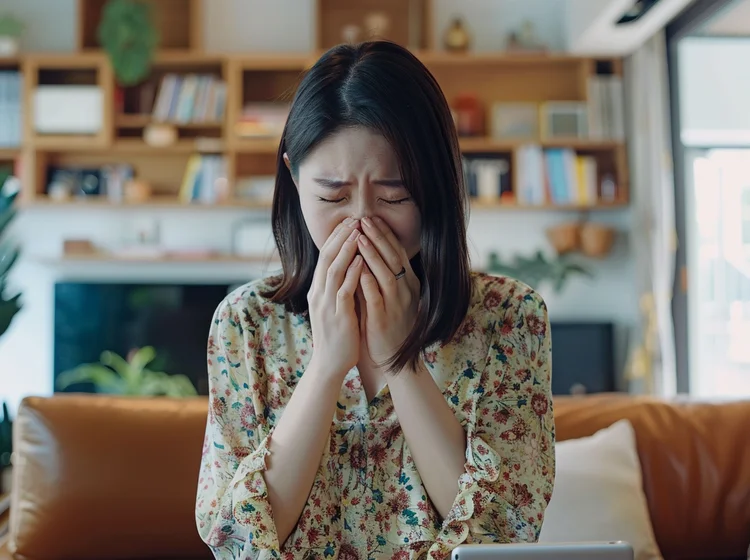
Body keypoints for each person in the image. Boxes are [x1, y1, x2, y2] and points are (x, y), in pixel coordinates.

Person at [195, 40, 555, 560]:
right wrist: (324, 368)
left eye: (394, 196)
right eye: (332, 196)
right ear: (294, 178)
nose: (362, 224)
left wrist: (399, 360)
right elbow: (236, 541)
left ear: (438, 186)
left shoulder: (510, 320)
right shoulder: (245, 323)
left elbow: (504, 532)